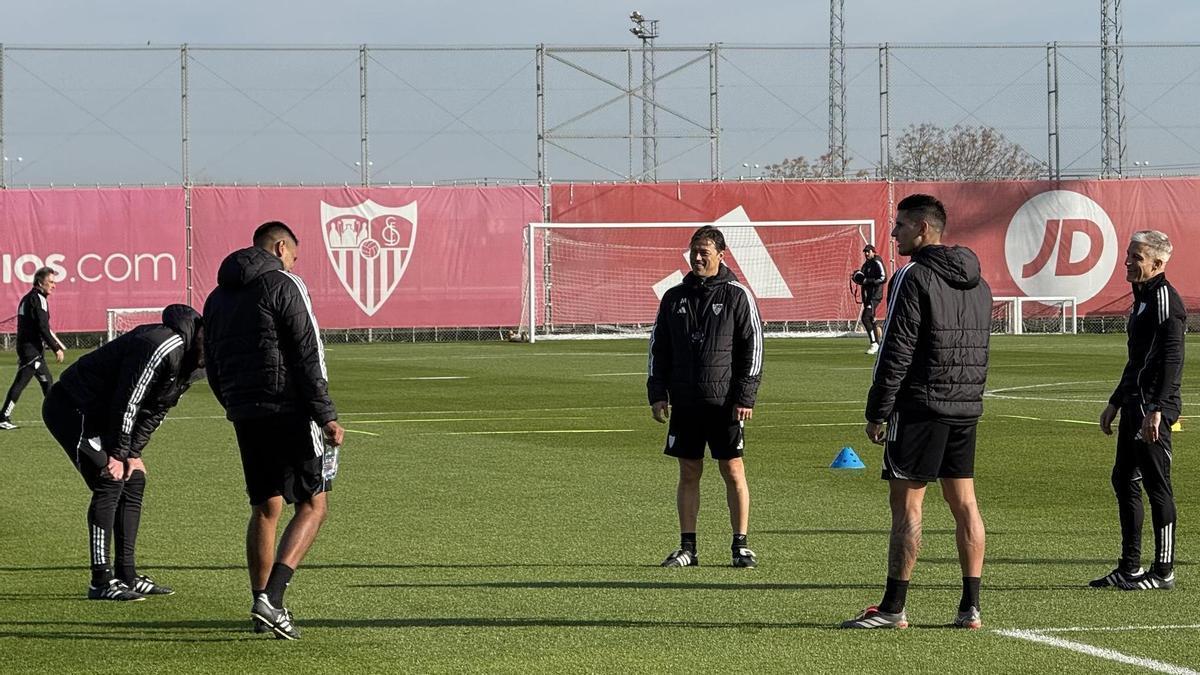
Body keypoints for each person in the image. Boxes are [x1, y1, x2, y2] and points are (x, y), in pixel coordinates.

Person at [841, 194, 992, 630]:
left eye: (901, 226)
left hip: (922, 406)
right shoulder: (979, 283)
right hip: (965, 407)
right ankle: (970, 608)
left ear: (923, 229)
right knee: (965, 504)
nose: (893, 234)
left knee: (907, 508)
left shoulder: (913, 276)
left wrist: (878, 410)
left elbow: (896, 349)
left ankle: (892, 608)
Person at [203, 221, 344, 640]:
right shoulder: (285, 283)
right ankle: (273, 599)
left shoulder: (216, 297)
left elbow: (211, 362)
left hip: (246, 412)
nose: (294, 262)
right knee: (314, 505)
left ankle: (258, 602)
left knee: (265, 508)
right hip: (290, 410)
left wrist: (232, 404)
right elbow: (308, 351)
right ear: (281, 247)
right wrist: (326, 414)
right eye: (295, 255)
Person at [42, 304, 204, 601]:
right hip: (73, 407)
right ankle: (100, 581)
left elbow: (157, 409)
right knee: (109, 480)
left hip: (104, 416)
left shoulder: (199, 361)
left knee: (135, 478)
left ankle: (126, 576)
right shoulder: (161, 345)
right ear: (206, 333)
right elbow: (128, 400)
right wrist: (118, 453)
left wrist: (133, 452)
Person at [648, 225, 763, 569]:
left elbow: (753, 348)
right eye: (694, 252)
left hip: (726, 403)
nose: (697, 258)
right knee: (688, 472)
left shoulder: (737, 294)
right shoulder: (674, 297)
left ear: (721, 255)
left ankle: (740, 546)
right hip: (685, 401)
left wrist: (746, 396)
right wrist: (658, 393)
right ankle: (688, 548)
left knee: (732, 469)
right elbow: (659, 348)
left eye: (705, 253)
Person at [1090, 230, 1184, 591]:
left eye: (1136, 257)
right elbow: (1137, 361)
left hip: (1152, 409)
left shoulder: (1163, 299)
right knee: (1123, 479)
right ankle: (1129, 567)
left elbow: (1172, 359)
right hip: (1134, 404)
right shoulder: (1141, 297)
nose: (1127, 262)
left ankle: (1164, 572)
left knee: (1158, 487)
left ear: (1158, 264)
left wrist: (1158, 409)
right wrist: (1116, 401)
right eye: (1128, 255)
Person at [1, 267, 66, 429]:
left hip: (28, 348)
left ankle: (55, 415)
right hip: (31, 350)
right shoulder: (38, 299)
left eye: (54, 282)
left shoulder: (28, 298)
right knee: (21, 382)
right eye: (50, 282)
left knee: (47, 381)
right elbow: (43, 327)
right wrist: (56, 347)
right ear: (39, 282)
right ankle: (3, 417)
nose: (54, 285)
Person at [852, 244, 887, 354]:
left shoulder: (877, 261)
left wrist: (868, 281)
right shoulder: (866, 264)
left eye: (868, 251)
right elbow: (861, 278)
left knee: (865, 318)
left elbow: (883, 277)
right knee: (870, 319)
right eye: (865, 252)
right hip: (867, 296)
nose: (866, 254)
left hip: (874, 296)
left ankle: (874, 343)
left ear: (873, 252)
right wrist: (857, 277)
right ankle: (878, 343)